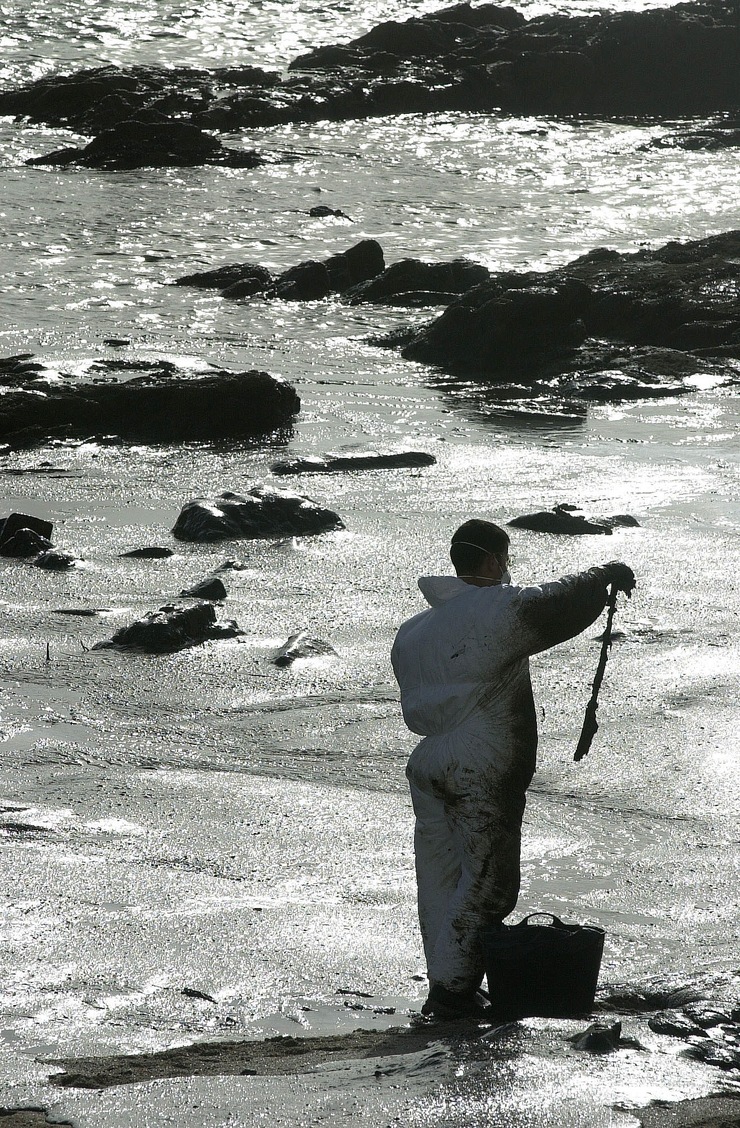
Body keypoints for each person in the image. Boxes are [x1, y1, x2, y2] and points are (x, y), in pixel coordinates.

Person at [390, 518, 635, 1020]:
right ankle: (452, 993)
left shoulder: (413, 631)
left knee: (441, 880)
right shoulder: (492, 609)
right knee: (489, 886)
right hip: (479, 765)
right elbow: (549, 606)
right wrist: (603, 573)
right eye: (507, 560)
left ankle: (446, 980)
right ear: (494, 560)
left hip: (429, 762)